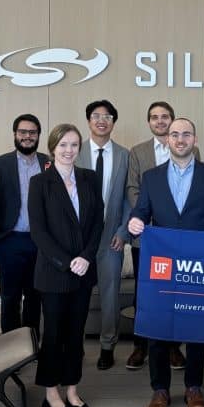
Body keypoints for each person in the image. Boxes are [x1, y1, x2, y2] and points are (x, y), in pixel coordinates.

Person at [127, 118, 204, 407]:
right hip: (162, 265)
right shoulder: (151, 177)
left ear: (194, 139)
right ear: (167, 140)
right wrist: (134, 223)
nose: (180, 139)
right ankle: (160, 390)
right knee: (158, 328)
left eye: (186, 134)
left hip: (201, 266)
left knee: (197, 328)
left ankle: (193, 387)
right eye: (175, 135)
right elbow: (141, 214)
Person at [29, 124, 104, 407]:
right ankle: (50, 393)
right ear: (52, 148)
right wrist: (65, 261)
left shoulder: (89, 178)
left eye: (74, 145)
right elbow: (39, 231)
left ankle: (72, 389)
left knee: (76, 333)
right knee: (53, 334)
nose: (69, 150)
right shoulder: (40, 182)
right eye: (63, 145)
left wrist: (85, 257)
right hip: (53, 272)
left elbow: (98, 221)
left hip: (84, 271)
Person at [125, 101, 199, 370]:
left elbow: (195, 195)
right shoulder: (138, 152)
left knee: (179, 294)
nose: (160, 121)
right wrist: (143, 218)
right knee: (146, 295)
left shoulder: (192, 149)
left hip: (183, 242)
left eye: (165, 116)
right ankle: (140, 346)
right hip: (148, 238)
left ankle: (173, 349)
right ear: (150, 122)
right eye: (154, 117)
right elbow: (135, 190)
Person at [74, 100, 131, 371]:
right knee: (76, 295)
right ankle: (75, 345)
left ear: (113, 122)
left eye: (107, 116)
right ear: (88, 121)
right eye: (96, 115)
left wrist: (123, 231)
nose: (101, 120)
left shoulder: (124, 155)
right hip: (78, 240)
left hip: (111, 238)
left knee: (110, 295)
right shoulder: (75, 151)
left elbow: (129, 199)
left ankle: (108, 346)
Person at [0, 114, 49, 338]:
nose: (27, 136)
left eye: (32, 132)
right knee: (10, 297)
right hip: (10, 239)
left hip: (40, 241)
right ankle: (10, 346)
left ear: (38, 136)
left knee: (35, 295)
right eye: (23, 132)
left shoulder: (49, 162)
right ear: (15, 134)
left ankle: (31, 344)